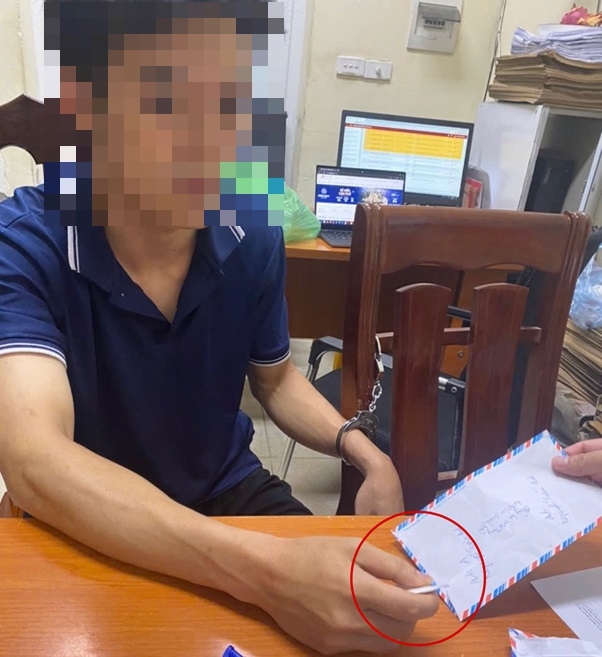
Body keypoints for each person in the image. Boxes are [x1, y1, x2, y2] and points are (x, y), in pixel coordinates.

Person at [0, 2, 438, 654]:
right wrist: (268, 573)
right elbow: (36, 460)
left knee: (372, 623)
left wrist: (362, 449)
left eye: (230, 102)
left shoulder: (251, 231)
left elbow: (276, 378)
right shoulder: (25, 243)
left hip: (225, 489)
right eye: (168, 100)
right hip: (87, 516)